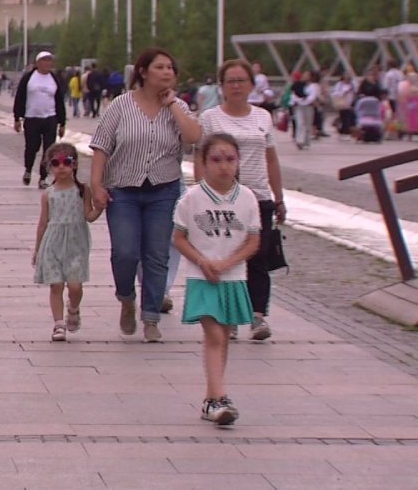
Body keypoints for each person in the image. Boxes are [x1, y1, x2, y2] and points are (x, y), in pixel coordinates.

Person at [89, 48, 201, 343]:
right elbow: (101, 146)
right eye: (160, 67)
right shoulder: (121, 105)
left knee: (157, 255)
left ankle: (151, 316)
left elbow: (193, 137)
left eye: (170, 68)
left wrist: (173, 104)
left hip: (163, 191)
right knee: (125, 253)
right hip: (123, 191)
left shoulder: (177, 106)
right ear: (143, 71)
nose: (167, 72)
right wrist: (97, 185)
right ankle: (126, 297)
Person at [173, 133, 261, 426]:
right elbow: (179, 237)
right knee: (213, 335)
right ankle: (220, 397)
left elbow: (253, 241)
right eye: (216, 159)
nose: (224, 166)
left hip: (233, 277)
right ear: (203, 162)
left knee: (223, 336)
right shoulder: (192, 198)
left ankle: (212, 398)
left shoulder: (247, 198)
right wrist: (202, 261)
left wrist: (228, 263)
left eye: (230, 159)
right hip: (202, 277)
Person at [197, 59, 286, 341]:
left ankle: (258, 316)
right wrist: (202, 193)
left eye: (241, 81)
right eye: (230, 81)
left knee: (258, 256)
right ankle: (230, 315)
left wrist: (279, 197)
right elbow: (200, 158)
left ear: (251, 85)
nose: (236, 86)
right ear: (221, 86)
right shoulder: (211, 118)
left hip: (258, 196)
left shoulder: (263, 117)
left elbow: (271, 158)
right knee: (228, 257)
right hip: (224, 197)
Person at [32, 142, 104, 342]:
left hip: (75, 244)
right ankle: (58, 324)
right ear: (50, 166)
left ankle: (73, 308)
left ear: (75, 164)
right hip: (52, 243)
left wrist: (100, 208)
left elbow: (89, 216)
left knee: (75, 286)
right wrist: (37, 249)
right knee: (56, 285)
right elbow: (43, 223)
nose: (61, 167)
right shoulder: (48, 194)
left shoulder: (83, 190)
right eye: (56, 163)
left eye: (67, 162)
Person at [13, 51, 66, 189]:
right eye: (44, 60)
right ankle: (28, 169)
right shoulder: (29, 78)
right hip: (32, 117)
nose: (47, 63)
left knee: (49, 149)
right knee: (32, 147)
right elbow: (20, 97)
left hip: (50, 118)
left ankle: (43, 177)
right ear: (38, 63)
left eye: (49, 60)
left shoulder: (54, 79)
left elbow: (59, 101)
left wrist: (62, 123)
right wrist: (17, 118)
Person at [290, 70, 319, 150]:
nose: (305, 76)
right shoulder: (299, 84)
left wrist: (305, 101)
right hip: (299, 106)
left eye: (307, 75)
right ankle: (299, 140)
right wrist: (299, 100)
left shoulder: (314, 86)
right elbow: (294, 94)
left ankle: (306, 142)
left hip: (309, 107)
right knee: (300, 123)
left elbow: (312, 97)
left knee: (307, 125)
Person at [331, 72, 357, 138]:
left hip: (350, 103)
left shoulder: (352, 84)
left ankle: (346, 131)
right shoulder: (339, 84)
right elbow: (335, 93)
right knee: (344, 117)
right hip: (342, 103)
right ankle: (344, 132)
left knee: (349, 117)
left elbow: (355, 92)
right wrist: (344, 92)